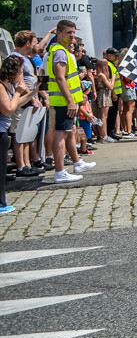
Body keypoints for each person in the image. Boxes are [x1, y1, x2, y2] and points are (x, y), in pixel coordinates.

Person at [44, 20, 96, 183]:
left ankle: (77, 162)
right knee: (61, 135)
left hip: (65, 100)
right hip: (63, 102)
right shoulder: (60, 52)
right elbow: (60, 78)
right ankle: (60, 172)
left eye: (73, 32)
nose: (72, 35)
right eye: (69, 32)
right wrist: (71, 101)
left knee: (68, 133)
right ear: (59, 33)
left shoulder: (61, 51)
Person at [1, 56, 41, 213]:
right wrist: (17, 92)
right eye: (20, 72)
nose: (22, 75)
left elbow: (16, 103)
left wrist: (33, 93)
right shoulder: (1, 87)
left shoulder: (7, 86)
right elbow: (8, 109)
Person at [8, 30, 45, 175]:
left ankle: (27, 164)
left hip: (28, 99)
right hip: (21, 100)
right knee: (19, 133)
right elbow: (19, 80)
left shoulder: (24, 57)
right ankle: (21, 166)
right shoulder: (16, 58)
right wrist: (33, 98)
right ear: (28, 43)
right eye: (34, 42)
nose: (35, 46)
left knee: (26, 133)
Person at [94, 58, 116, 143]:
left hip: (104, 94)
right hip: (103, 94)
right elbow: (110, 87)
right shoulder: (102, 75)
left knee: (102, 116)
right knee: (103, 116)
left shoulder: (99, 74)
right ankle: (104, 135)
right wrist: (113, 77)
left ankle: (101, 135)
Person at [104, 48, 123, 139]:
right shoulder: (108, 65)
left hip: (117, 92)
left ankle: (111, 131)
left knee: (114, 113)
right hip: (113, 93)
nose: (117, 57)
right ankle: (110, 132)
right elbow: (109, 80)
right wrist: (113, 93)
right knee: (111, 114)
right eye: (115, 55)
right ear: (109, 55)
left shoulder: (112, 64)